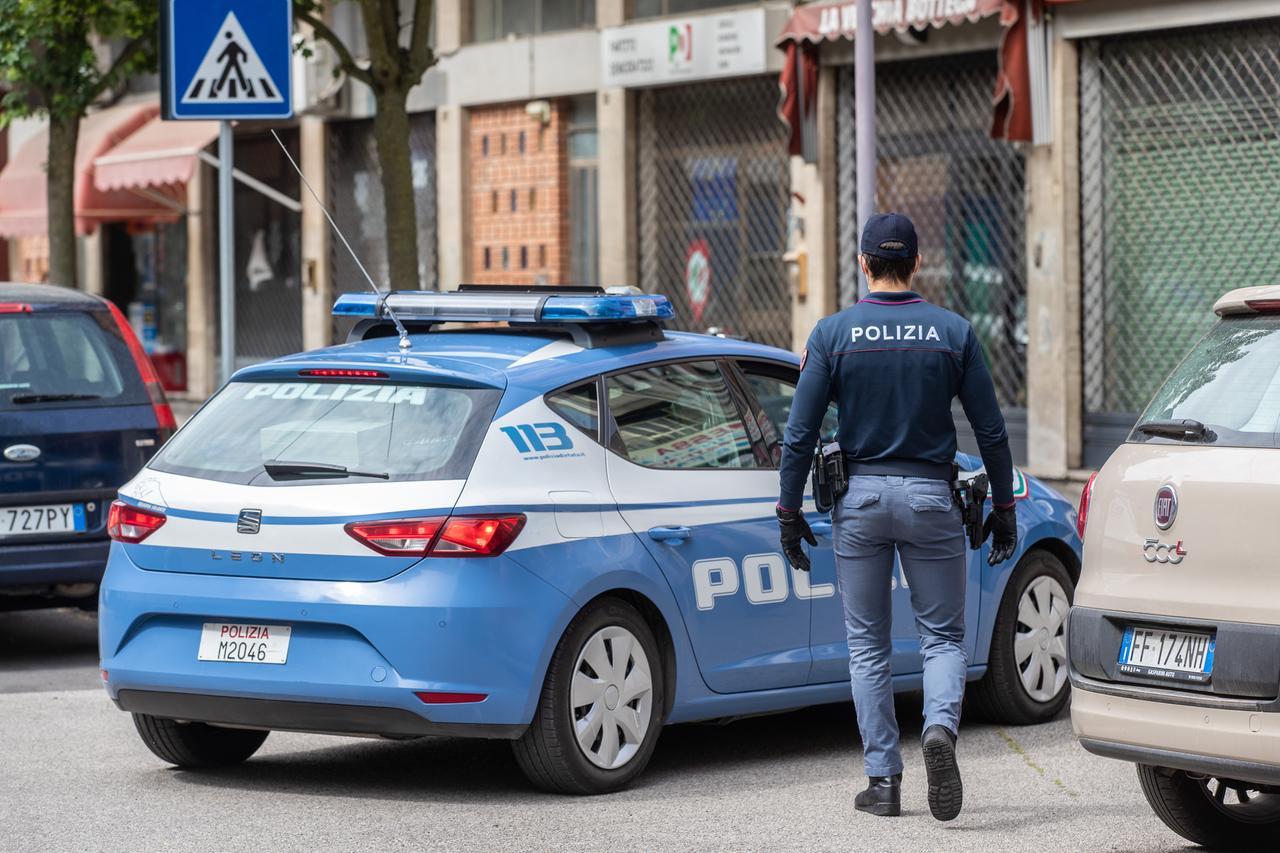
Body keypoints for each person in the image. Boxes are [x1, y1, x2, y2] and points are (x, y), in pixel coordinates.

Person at [775, 212, 1018, 822]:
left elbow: (800, 432)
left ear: (863, 264)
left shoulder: (832, 334)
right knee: (942, 638)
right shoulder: (953, 332)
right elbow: (990, 428)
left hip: (857, 500)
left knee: (867, 646)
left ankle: (883, 782)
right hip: (933, 498)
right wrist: (1005, 509)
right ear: (916, 263)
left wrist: (786, 509)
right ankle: (938, 729)